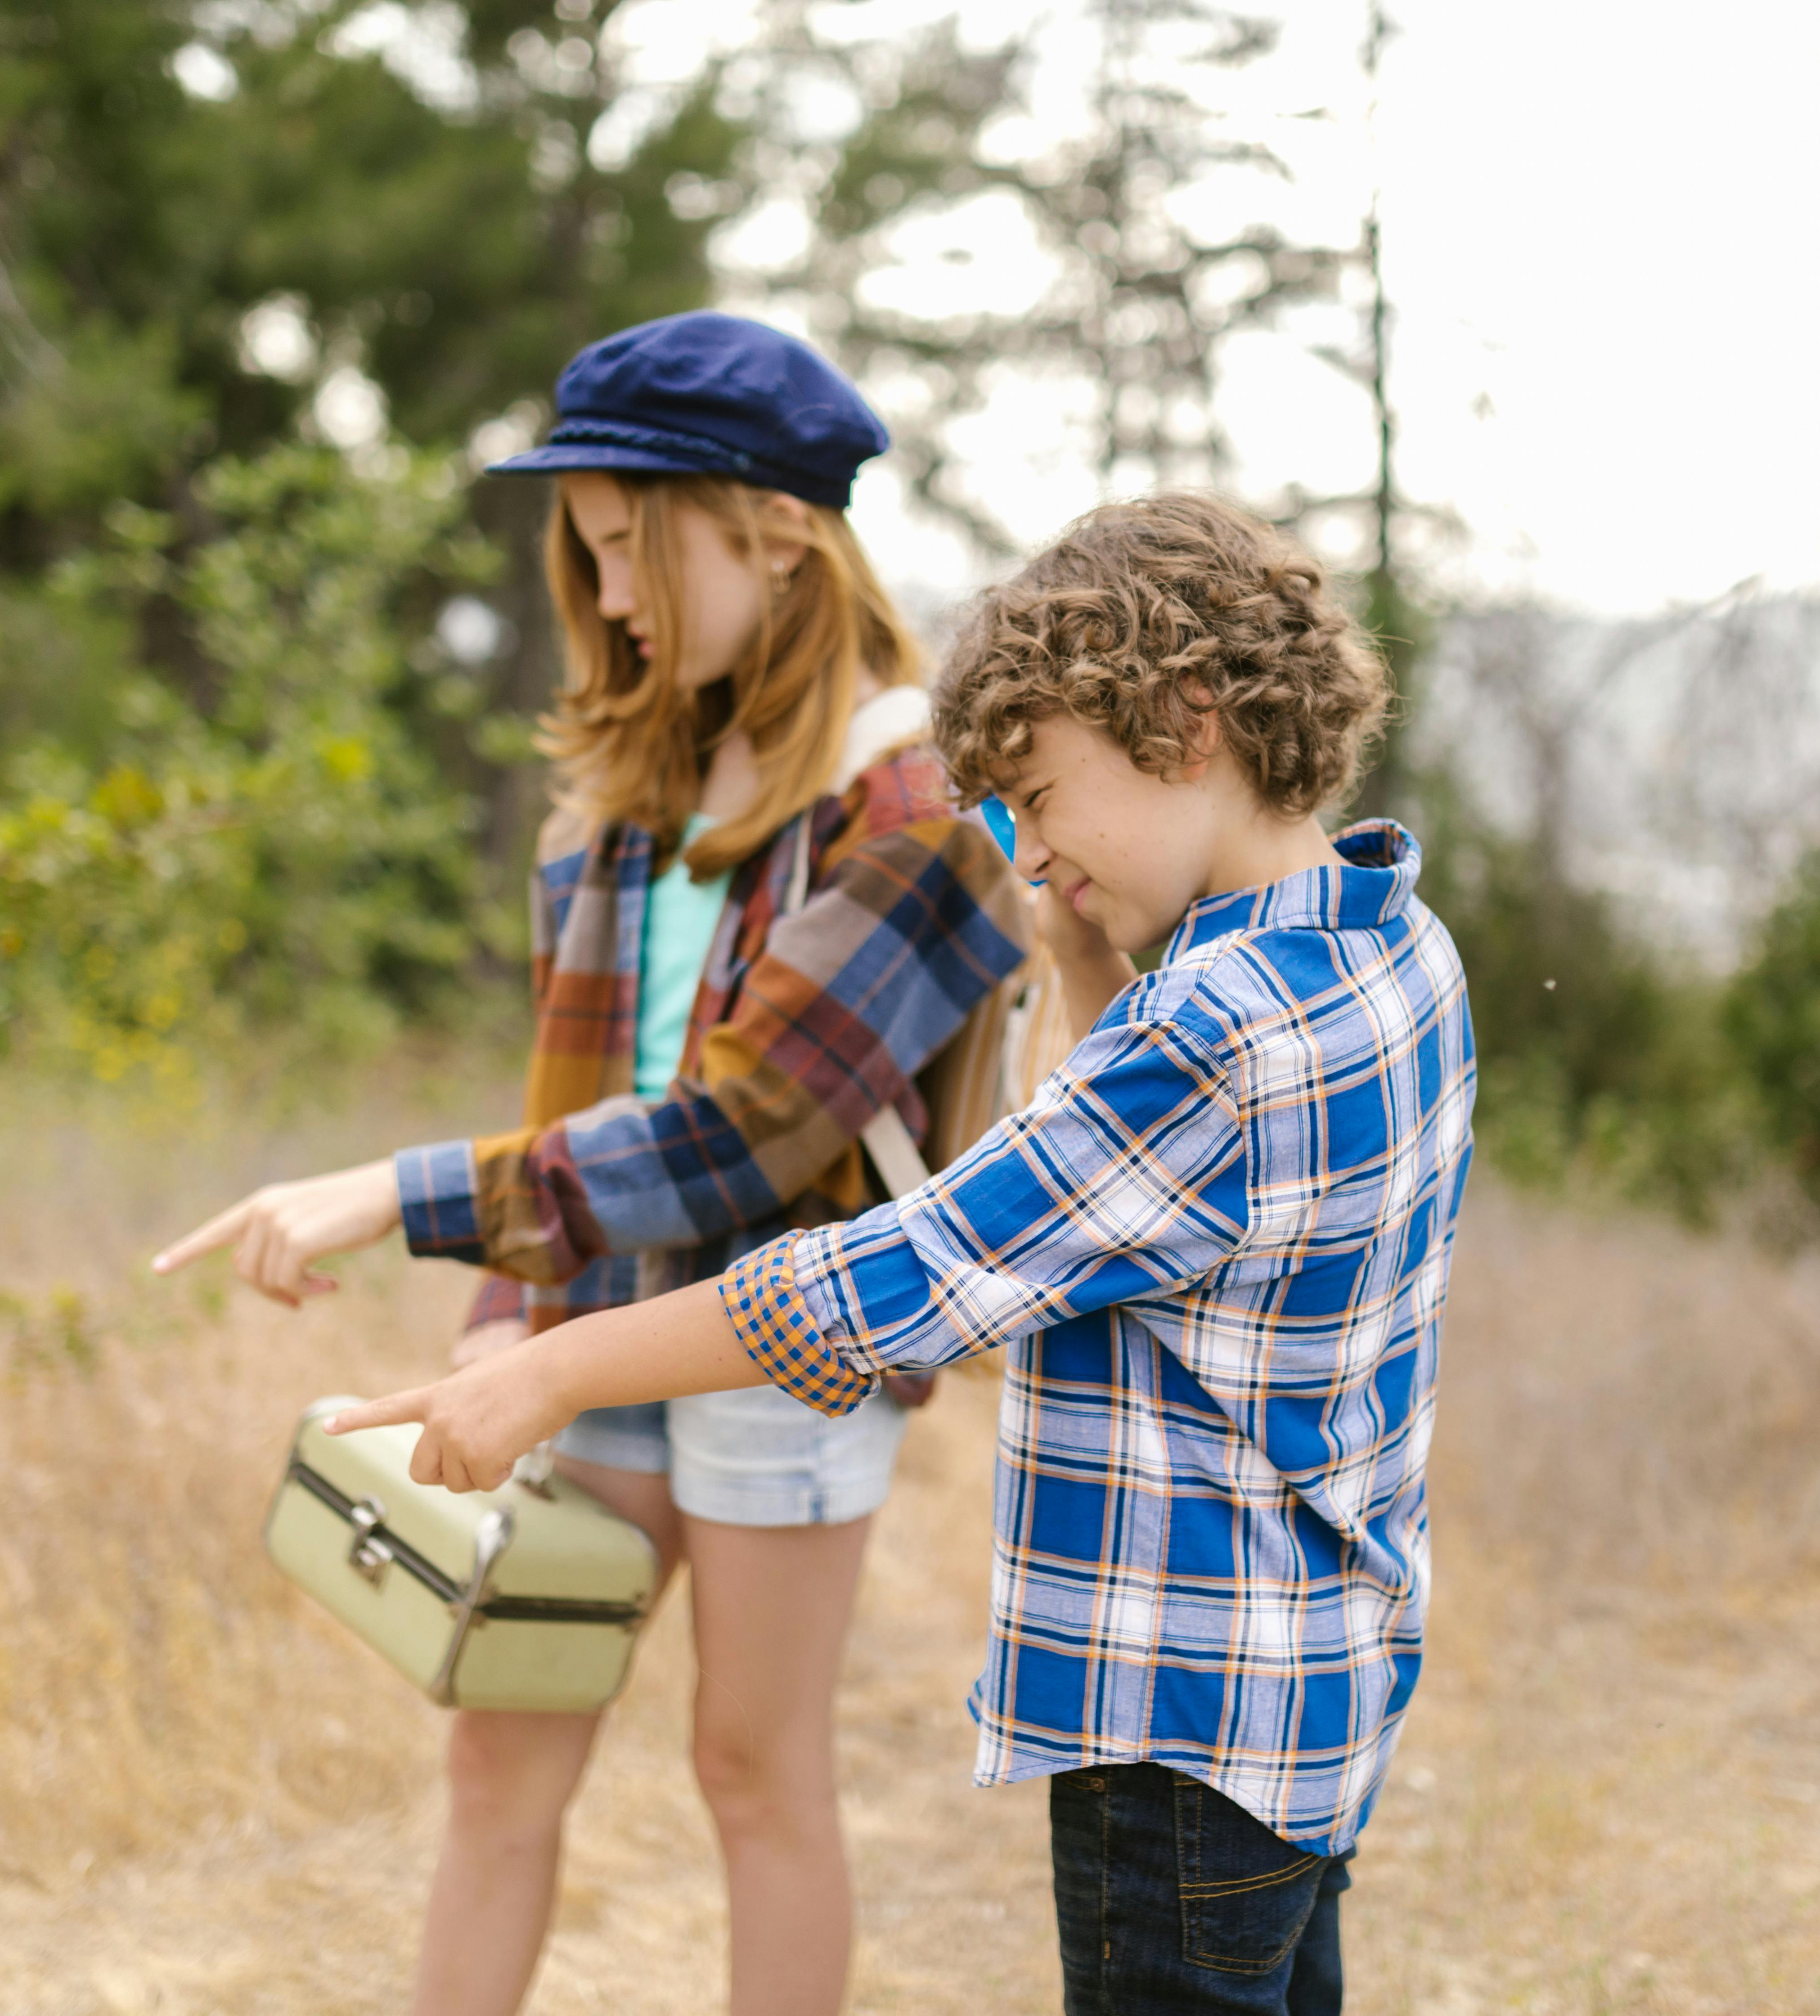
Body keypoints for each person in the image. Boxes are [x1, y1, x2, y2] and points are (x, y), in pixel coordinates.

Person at [325, 493, 1480, 2015]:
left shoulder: (1207, 1041)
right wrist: (1078, 946)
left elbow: (893, 1280)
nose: (1029, 849)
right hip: (1312, 1695)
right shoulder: (1389, 944)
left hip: (1179, 1729)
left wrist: (546, 1369)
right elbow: (1121, 1207)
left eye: (1043, 798)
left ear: (1189, 720)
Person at [153, 311, 1034, 2016]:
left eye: (633, 547)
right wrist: (506, 1305)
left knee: (751, 1772)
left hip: (787, 1340)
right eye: (592, 558)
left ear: (776, 529)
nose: (613, 598)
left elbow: (744, 1129)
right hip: (585, 1324)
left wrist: (391, 1197)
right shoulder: (634, 780)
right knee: (499, 1766)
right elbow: (573, 1080)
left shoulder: (919, 807)